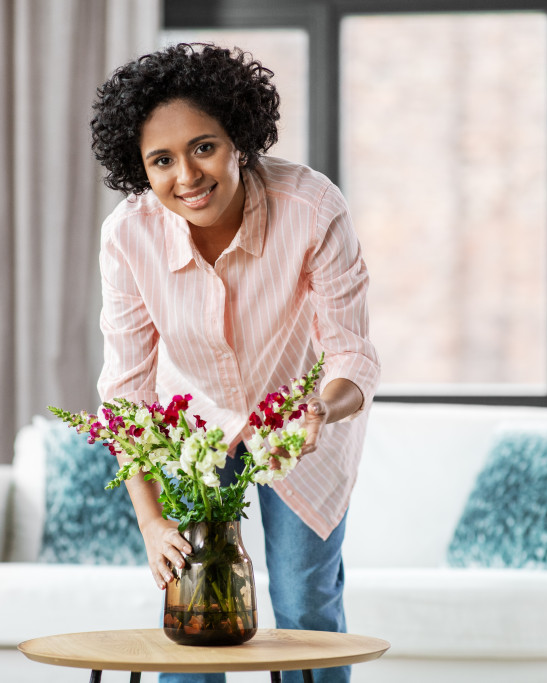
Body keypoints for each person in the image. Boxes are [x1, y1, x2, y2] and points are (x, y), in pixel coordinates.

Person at [90, 43, 380, 683]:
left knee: (306, 607)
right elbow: (126, 395)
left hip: (300, 430)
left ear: (238, 139)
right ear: (139, 168)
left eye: (203, 147)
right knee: (197, 611)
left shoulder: (310, 207)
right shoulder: (128, 235)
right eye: (161, 160)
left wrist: (319, 409)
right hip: (196, 434)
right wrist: (150, 521)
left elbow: (352, 352)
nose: (187, 176)